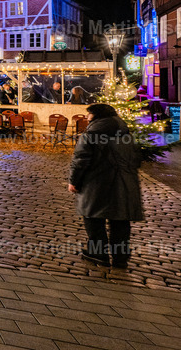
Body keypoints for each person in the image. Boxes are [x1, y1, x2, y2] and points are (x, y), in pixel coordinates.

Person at [68, 104, 143, 269]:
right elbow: (137, 159)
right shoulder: (126, 134)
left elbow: (81, 160)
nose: (86, 118)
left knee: (93, 217)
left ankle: (98, 253)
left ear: (95, 116)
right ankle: (120, 258)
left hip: (96, 183)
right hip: (125, 184)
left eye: (88, 115)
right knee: (120, 221)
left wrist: (74, 181)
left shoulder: (90, 135)